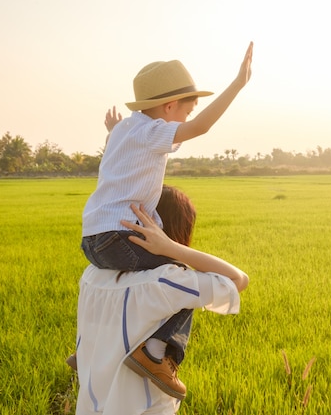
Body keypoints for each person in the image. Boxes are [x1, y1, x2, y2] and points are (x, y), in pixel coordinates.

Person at [77, 42, 253, 396]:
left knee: (119, 287)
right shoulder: (151, 131)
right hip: (120, 236)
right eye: (188, 108)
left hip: (93, 239)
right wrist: (238, 84)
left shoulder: (126, 130)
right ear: (169, 106)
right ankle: (156, 352)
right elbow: (201, 128)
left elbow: (121, 148)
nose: (189, 117)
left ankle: (83, 354)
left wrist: (112, 128)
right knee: (187, 274)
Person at [74, 185, 249, 414]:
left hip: (91, 403)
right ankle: (153, 355)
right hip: (144, 406)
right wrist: (171, 248)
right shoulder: (168, 280)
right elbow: (239, 279)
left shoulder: (92, 274)